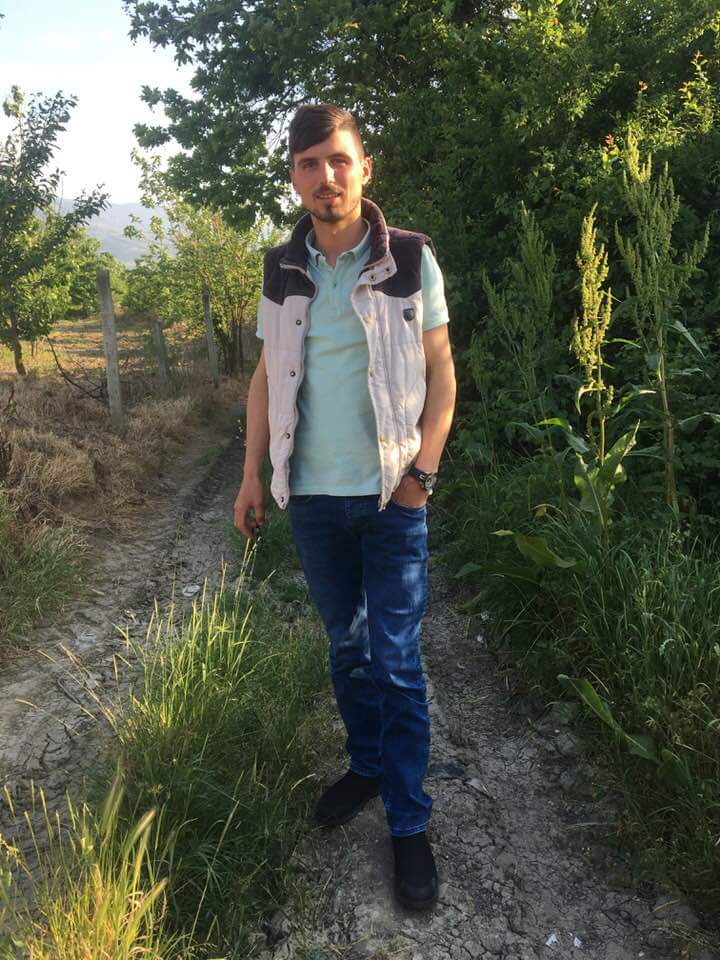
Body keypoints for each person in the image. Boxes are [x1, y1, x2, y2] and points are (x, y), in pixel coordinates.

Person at [234, 103, 456, 911]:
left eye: (337, 159)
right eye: (308, 164)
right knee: (347, 648)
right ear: (293, 178)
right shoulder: (280, 267)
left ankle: (408, 821)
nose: (324, 177)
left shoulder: (410, 258)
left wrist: (422, 475)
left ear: (365, 167)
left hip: (393, 495)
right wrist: (251, 475)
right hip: (314, 499)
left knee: (395, 661)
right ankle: (367, 766)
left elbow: (442, 374)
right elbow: (267, 374)